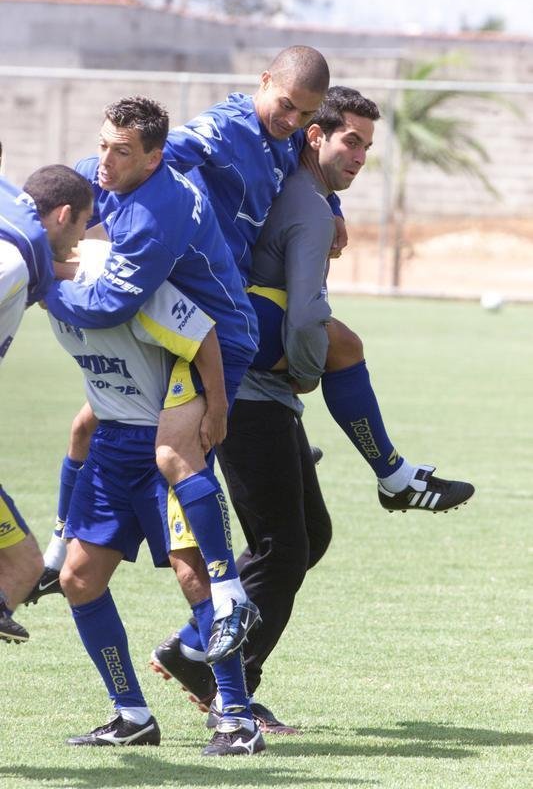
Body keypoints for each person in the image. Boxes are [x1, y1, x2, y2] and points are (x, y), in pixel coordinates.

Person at [151, 87, 475, 729]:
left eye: (367, 146)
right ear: (314, 137)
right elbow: (303, 314)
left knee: (307, 537)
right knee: (283, 543)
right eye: (349, 140)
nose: (359, 155)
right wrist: (301, 367)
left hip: (259, 384)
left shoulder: (297, 183)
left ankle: (196, 643)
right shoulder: (302, 200)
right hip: (244, 386)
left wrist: (330, 204)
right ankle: (225, 677)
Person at [41, 96, 262, 668]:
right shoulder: (112, 172)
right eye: (103, 146)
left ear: (152, 158)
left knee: (171, 451)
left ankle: (230, 594)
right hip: (169, 339)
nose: (105, 164)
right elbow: (57, 202)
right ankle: (55, 551)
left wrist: (43, 279)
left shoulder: (154, 213)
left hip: (218, 338)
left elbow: (109, 305)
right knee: (90, 420)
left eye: (121, 152)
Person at [38, 234, 264, 754]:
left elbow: (203, 334)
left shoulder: (118, 276)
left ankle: (237, 716)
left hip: (164, 439)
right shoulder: (35, 286)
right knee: (79, 578)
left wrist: (215, 409)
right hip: (112, 445)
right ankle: (132, 713)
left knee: (195, 578)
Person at [0, 158, 93, 644]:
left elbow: (57, 269)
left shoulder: (21, 244)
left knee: (24, 565)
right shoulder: (13, 260)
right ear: (62, 215)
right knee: (22, 565)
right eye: (82, 224)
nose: (82, 235)